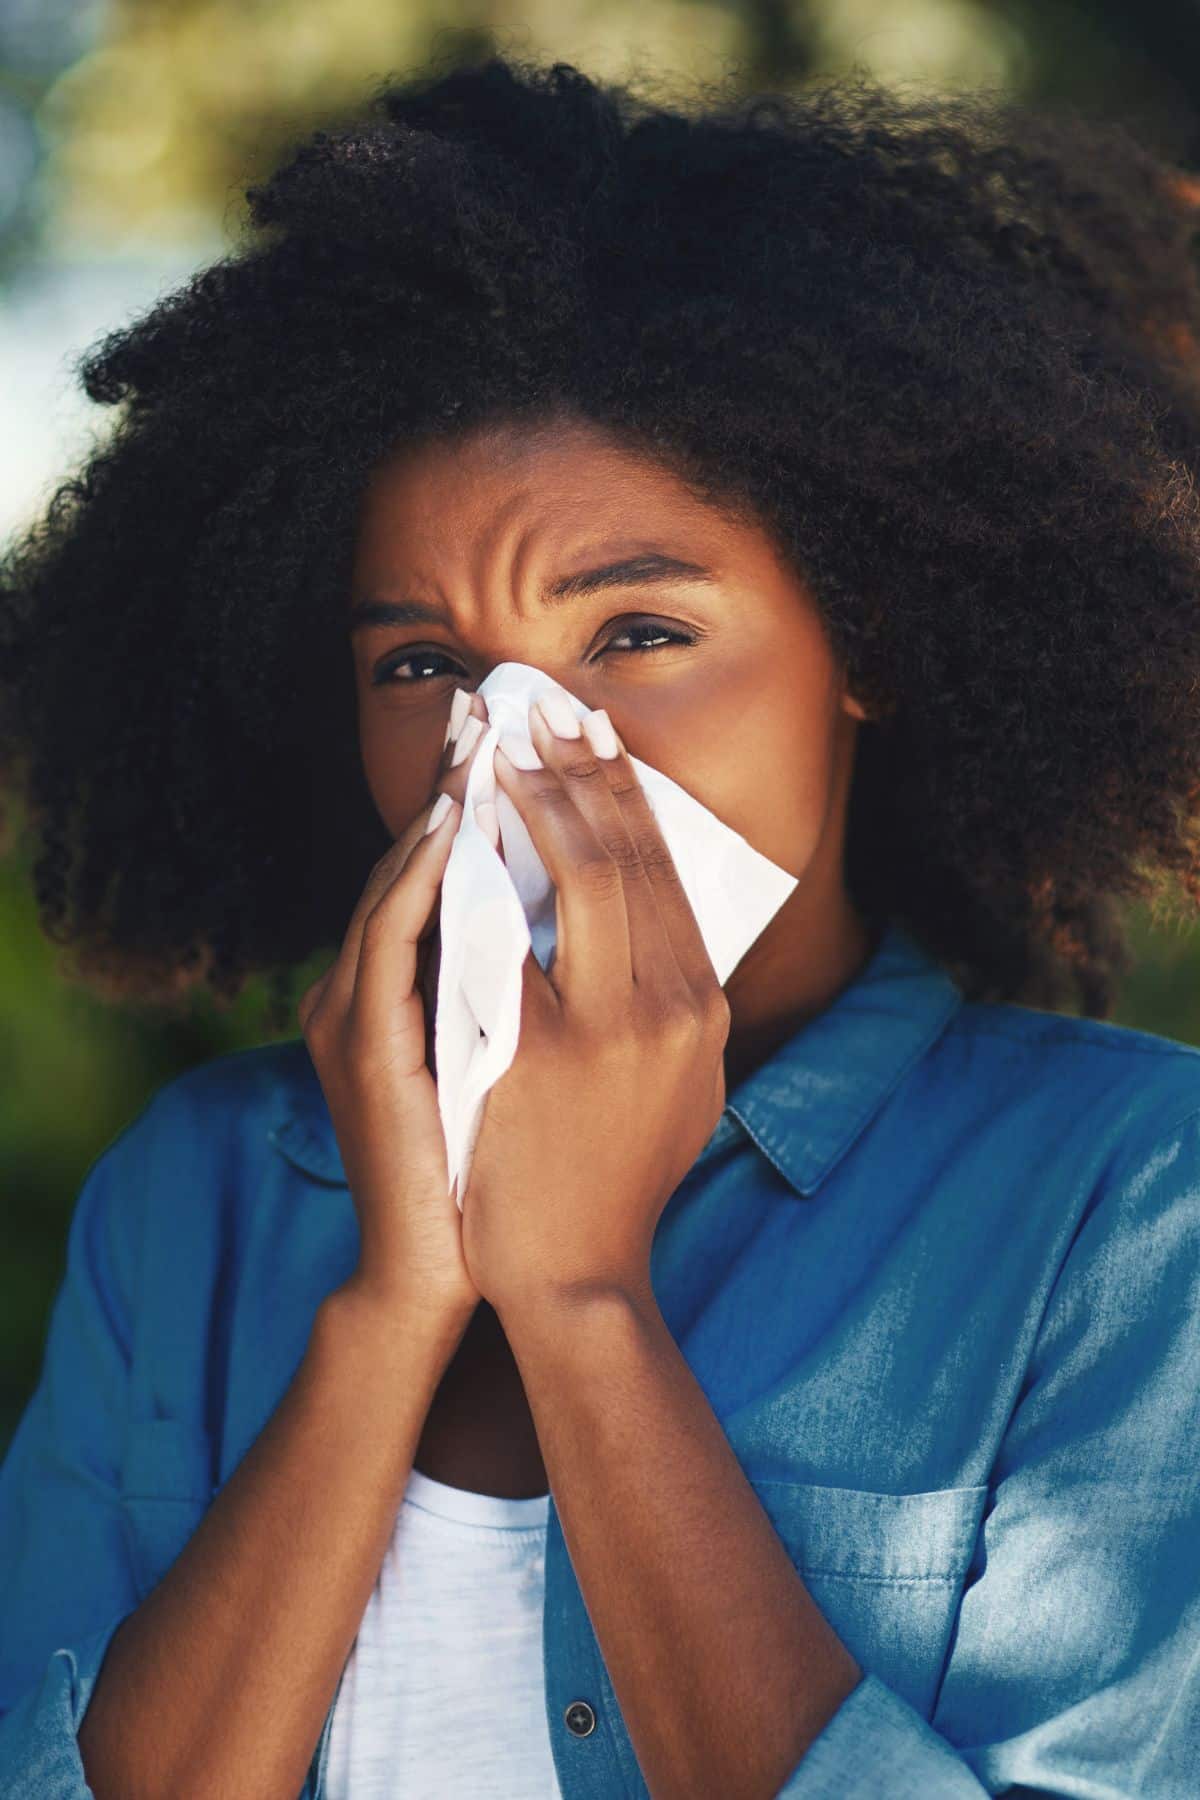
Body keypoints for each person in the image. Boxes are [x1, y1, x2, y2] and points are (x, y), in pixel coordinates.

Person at [1, 50, 1199, 1800]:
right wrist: (394, 1304)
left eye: (635, 631)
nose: (518, 741)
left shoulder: (1128, 1197)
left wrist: (577, 1300)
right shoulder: (201, 1196)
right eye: (422, 665)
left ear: (861, 642)